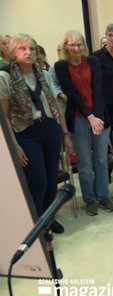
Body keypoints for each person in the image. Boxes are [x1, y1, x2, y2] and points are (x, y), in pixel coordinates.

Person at [0, 33, 72, 233]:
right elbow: (4, 117)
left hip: (50, 130)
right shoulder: (5, 77)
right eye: (22, 48)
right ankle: (36, 223)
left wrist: (65, 133)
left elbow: (55, 105)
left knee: (51, 179)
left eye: (31, 48)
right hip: (26, 133)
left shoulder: (43, 74)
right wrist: (14, 146)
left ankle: (49, 218)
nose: (28, 52)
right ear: (14, 52)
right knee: (37, 181)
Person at [55, 30, 113, 216]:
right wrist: (90, 117)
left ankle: (103, 195)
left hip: (100, 116)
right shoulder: (61, 66)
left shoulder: (93, 62)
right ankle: (89, 198)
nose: (76, 48)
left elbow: (97, 89)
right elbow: (71, 94)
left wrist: (97, 117)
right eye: (72, 44)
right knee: (85, 163)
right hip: (79, 118)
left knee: (101, 160)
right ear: (66, 46)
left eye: (79, 44)